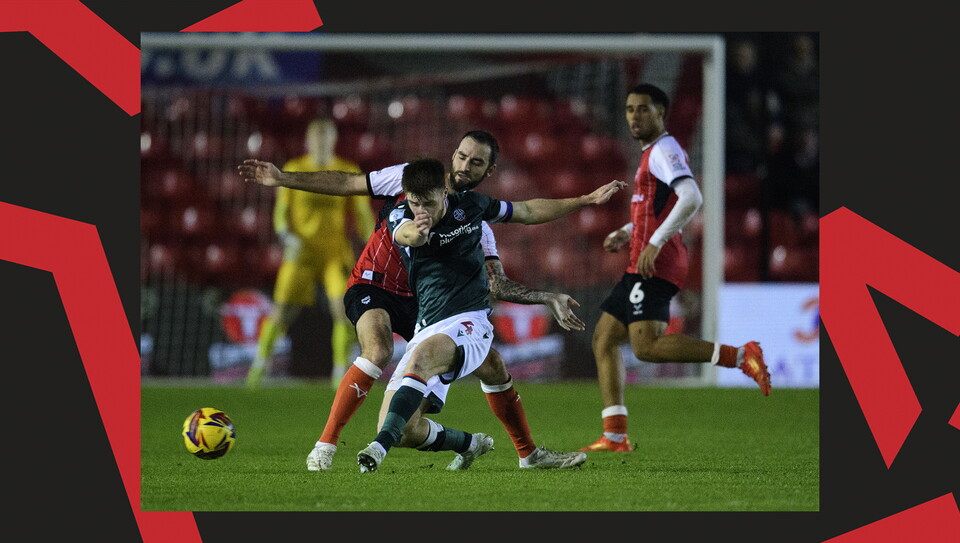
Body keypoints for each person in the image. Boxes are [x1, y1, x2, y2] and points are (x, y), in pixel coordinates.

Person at [238, 130, 608, 471]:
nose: (465, 166)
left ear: (489, 170)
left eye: (476, 162)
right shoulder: (409, 180)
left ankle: (502, 449)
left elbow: (516, 237)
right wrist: (284, 178)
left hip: (427, 307)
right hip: (375, 283)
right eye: (462, 156)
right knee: (379, 349)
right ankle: (326, 445)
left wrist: (584, 201)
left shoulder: (477, 217)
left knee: (487, 368)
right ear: (453, 154)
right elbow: (350, 185)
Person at [355, 157, 624, 473]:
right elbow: (408, 235)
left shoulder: (472, 208)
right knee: (406, 429)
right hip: (428, 325)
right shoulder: (401, 216)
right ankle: (471, 444)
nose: (421, 210)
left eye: (428, 203)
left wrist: (585, 200)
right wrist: (420, 230)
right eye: (415, 203)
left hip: (471, 320)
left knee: (423, 362)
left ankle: (379, 446)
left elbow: (527, 211)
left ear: (444, 192)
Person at [580, 83, 771, 454]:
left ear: (661, 113)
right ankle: (615, 435)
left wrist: (654, 242)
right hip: (641, 256)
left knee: (646, 347)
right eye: (630, 109)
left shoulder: (664, 150)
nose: (635, 115)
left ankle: (740, 356)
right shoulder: (652, 152)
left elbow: (692, 196)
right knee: (604, 338)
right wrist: (628, 231)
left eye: (644, 109)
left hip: (656, 259)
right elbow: (658, 209)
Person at [246, 119, 374, 389]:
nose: (321, 143)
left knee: (343, 312)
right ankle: (258, 369)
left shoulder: (348, 170)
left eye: (326, 138)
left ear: (333, 140)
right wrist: (285, 234)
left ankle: (340, 373)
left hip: (335, 254)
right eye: (316, 138)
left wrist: (371, 242)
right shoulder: (294, 168)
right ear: (308, 141)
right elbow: (282, 211)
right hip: (301, 254)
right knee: (282, 312)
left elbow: (362, 214)